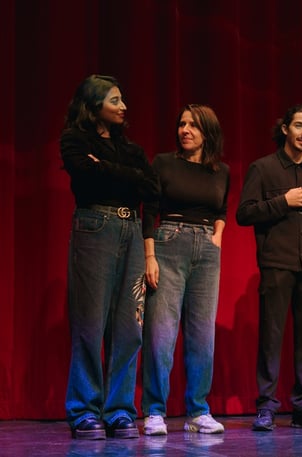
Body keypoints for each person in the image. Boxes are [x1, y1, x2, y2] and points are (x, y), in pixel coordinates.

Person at [60, 74, 159, 439]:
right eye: (115, 100)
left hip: (131, 229)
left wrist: (105, 168)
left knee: (130, 327)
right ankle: (85, 410)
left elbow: (151, 188)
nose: (123, 107)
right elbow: (86, 178)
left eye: (122, 100)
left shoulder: (130, 149)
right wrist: (126, 177)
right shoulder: (74, 140)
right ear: (94, 104)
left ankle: (119, 410)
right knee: (90, 323)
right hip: (95, 227)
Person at [236, 105, 302, 431]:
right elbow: (244, 214)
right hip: (277, 263)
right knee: (272, 335)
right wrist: (285, 201)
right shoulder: (263, 168)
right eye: (299, 126)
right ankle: (266, 406)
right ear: (285, 129)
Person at [141, 104, 230, 435]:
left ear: (208, 132)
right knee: (161, 332)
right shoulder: (164, 163)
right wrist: (149, 256)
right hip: (169, 243)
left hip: (207, 249)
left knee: (202, 334)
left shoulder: (221, 171)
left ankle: (198, 411)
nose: (185, 130)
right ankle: (154, 411)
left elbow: (221, 209)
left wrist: (217, 237)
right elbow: (149, 211)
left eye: (193, 125)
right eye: (182, 124)